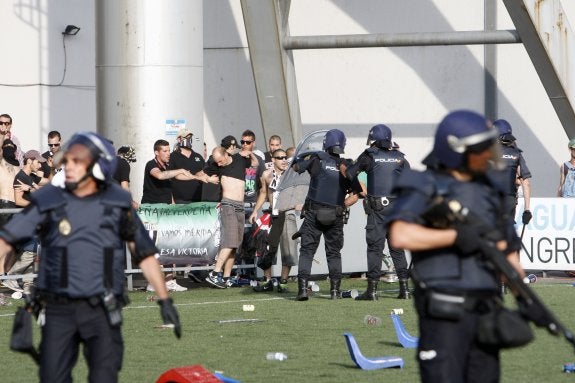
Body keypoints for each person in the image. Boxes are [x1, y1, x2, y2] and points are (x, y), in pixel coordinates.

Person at [0, 132, 181, 382]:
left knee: (104, 377)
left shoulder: (118, 202)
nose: (68, 166)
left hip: (103, 309)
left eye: (77, 161)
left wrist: (164, 300)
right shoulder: (48, 198)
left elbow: (145, 254)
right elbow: (6, 239)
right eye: (67, 160)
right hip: (58, 309)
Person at [387, 110, 524, 382]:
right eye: (480, 149)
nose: (488, 155)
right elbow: (401, 235)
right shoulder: (426, 185)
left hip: (485, 312)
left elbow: (508, 253)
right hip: (443, 314)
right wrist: (455, 237)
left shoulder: (491, 193)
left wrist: (524, 298)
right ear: (457, 150)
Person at [341, 124, 410, 300]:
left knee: (375, 249)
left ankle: (372, 291)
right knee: (397, 250)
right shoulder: (400, 158)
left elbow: (350, 174)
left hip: (377, 209)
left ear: (374, 141)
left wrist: (348, 167)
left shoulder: (369, 156)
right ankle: (405, 290)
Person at [291, 129, 362, 300]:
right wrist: (339, 206)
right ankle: (335, 292)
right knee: (334, 253)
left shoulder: (317, 159)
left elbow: (295, 167)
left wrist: (301, 155)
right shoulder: (347, 165)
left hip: (314, 214)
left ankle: (302, 290)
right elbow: (357, 194)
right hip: (335, 215)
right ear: (342, 144)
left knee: (307, 251)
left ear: (326, 143)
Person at [204, 146, 259, 288]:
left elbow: (255, 164)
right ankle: (215, 273)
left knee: (236, 245)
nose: (219, 164)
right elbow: (200, 174)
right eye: (217, 162)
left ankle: (227, 277)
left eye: (221, 161)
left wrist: (251, 154)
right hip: (228, 204)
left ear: (226, 154)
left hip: (240, 206)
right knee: (230, 241)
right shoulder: (216, 166)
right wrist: (208, 179)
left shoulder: (240, 160)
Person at [249, 148, 298, 293]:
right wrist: (255, 211)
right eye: (280, 157)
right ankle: (267, 280)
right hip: (273, 214)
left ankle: (283, 281)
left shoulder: (291, 175)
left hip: (287, 213)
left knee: (288, 249)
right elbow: (263, 193)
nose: (283, 160)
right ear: (273, 159)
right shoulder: (266, 174)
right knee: (267, 248)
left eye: (285, 157)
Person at [491, 119, 532, 225]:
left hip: (492, 199)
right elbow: (526, 183)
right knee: (507, 234)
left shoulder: (488, 153)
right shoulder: (517, 154)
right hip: (510, 200)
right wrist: (527, 210)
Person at [169, 128, 205, 204]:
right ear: (179, 139)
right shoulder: (172, 157)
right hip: (179, 201)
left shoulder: (198, 156)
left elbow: (204, 173)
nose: (189, 139)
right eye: (186, 137)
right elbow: (167, 180)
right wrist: (172, 201)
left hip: (198, 200)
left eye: (190, 137)